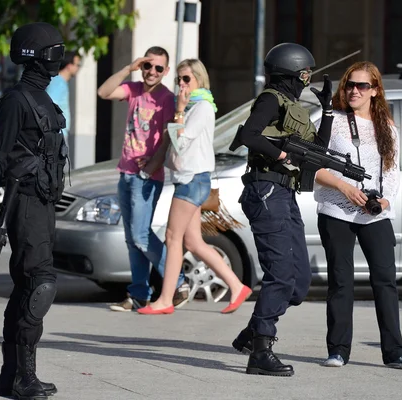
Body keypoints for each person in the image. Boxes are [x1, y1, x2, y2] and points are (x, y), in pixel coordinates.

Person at [229, 43, 334, 376]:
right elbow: (249, 135)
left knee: (299, 282)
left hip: (284, 194)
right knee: (281, 274)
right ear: (294, 73)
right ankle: (260, 349)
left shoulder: (293, 106)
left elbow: (317, 149)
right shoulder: (271, 99)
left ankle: (253, 332)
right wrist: (281, 155)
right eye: (305, 74)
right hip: (266, 190)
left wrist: (328, 111)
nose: (307, 80)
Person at [0, 22, 68, 398]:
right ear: (38, 55)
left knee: (25, 288)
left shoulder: (44, 97)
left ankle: (13, 375)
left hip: (44, 204)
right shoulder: (17, 100)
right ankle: (22, 377)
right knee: (40, 284)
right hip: (24, 203)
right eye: (54, 52)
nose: (60, 59)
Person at [313, 61, 402, 369]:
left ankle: (395, 352)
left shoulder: (387, 126)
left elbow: (393, 171)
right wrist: (345, 188)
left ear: (375, 91)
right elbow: (313, 167)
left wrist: (386, 201)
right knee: (341, 281)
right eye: (350, 85)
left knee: (385, 280)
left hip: (375, 213)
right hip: (336, 209)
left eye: (362, 86)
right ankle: (338, 351)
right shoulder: (330, 120)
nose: (354, 91)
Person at [137, 59, 252, 315]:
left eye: (186, 79)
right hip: (191, 179)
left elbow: (180, 142)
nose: (181, 84)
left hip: (192, 180)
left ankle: (166, 299)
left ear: (199, 80)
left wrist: (178, 110)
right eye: (178, 79)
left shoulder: (201, 107)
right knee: (194, 242)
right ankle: (237, 285)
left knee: (172, 237)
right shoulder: (194, 107)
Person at [97, 46, 189, 312]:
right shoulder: (134, 90)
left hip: (147, 177)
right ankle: (138, 294)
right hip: (125, 172)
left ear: (166, 71)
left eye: (159, 68)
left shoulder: (167, 99)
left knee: (140, 234)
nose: (152, 72)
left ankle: (178, 281)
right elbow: (103, 92)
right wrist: (128, 68)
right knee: (133, 238)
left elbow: (167, 138)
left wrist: (150, 167)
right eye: (148, 66)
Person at [46, 50, 81, 141]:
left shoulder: (59, 81)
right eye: (77, 65)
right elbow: (50, 106)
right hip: (57, 133)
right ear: (69, 66)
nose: (78, 68)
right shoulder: (58, 82)